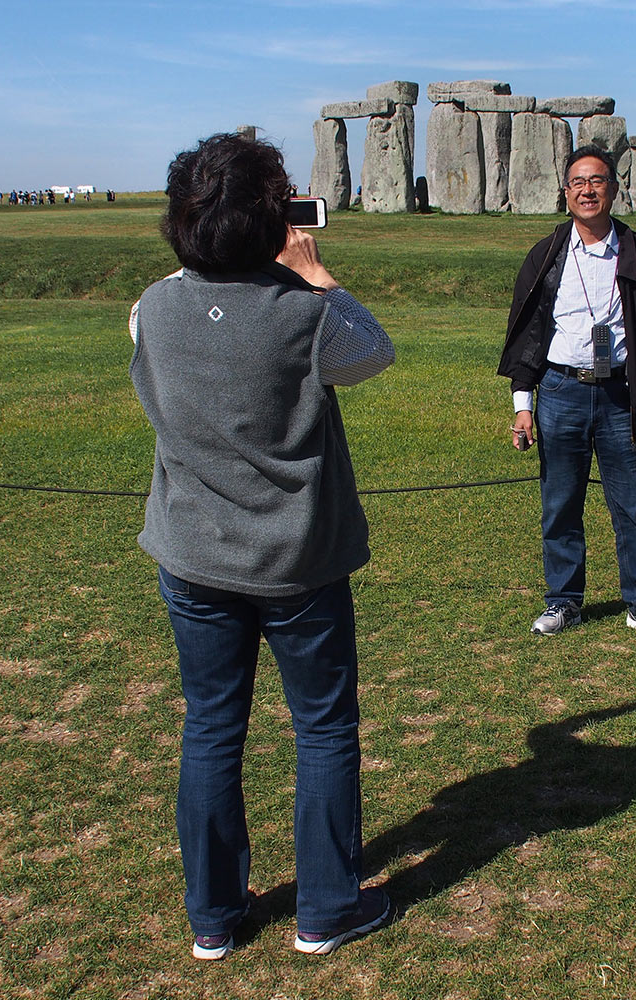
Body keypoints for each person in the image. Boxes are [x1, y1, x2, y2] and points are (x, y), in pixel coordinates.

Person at [128, 132, 395, 960]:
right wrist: (319, 275)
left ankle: (214, 916)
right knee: (320, 729)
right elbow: (372, 353)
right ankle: (325, 907)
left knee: (212, 726)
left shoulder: (152, 308)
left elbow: (180, 300)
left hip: (194, 553)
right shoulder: (307, 316)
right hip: (297, 562)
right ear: (270, 219)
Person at [499, 145, 636, 641]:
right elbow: (526, 335)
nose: (588, 190)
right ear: (566, 193)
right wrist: (523, 405)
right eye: (578, 182)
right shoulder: (547, 254)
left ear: (613, 189)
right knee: (560, 502)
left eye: (598, 181)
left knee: (631, 504)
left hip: (622, 396)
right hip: (560, 391)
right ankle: (563, 601)